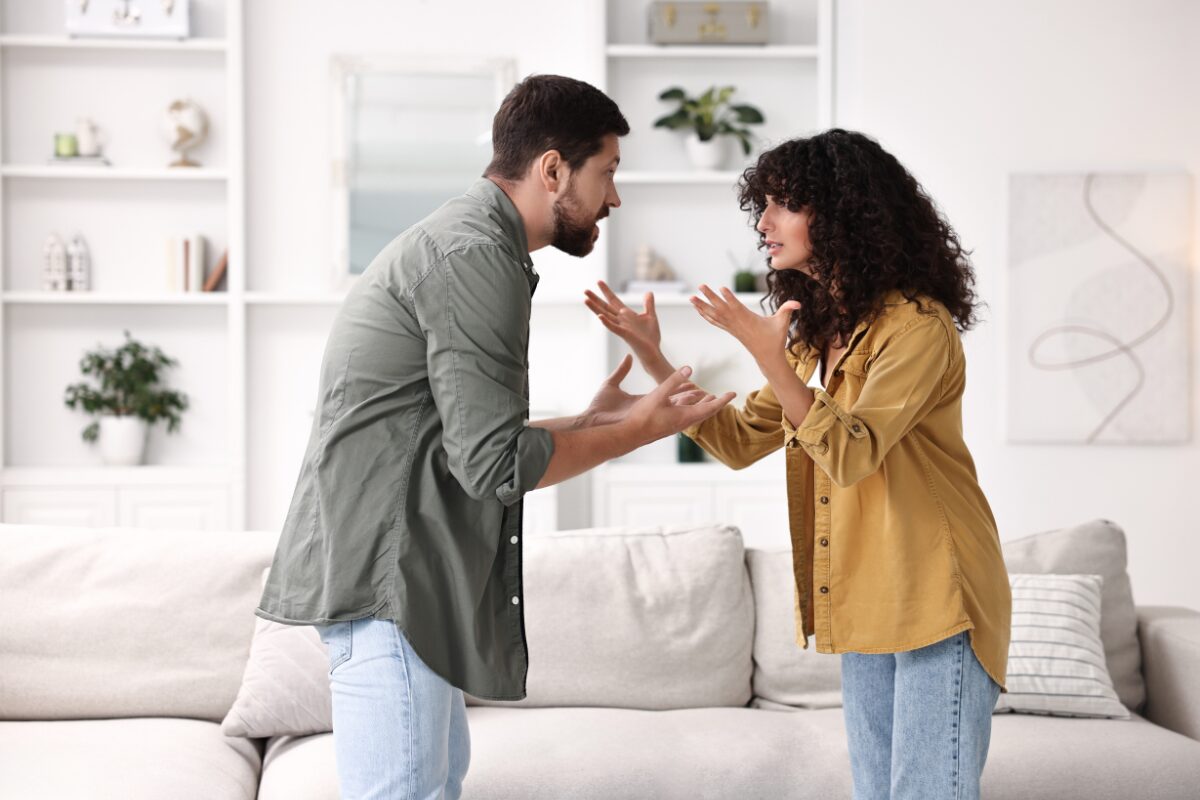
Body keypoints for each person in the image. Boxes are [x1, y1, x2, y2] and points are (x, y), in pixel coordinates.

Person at [256, 74, 734, 800]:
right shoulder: (476, 257)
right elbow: (494, 466)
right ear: (552, 170)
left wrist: (595, 422)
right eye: (606, 172)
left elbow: (461, 439)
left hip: (404, 583)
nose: (614, 197)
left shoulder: (470, 243)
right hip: (394, 583)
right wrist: (634, 431)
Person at [584, 128, 1012, 800]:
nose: (765, 222)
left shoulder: (919, 328)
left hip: (939, 595)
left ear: (843, 213)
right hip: (870, 600)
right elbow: (732, 439)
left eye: (785, 204)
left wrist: (771, 360)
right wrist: (655, 359)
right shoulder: (818, 338)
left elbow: (851, 451)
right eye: (765, 205)